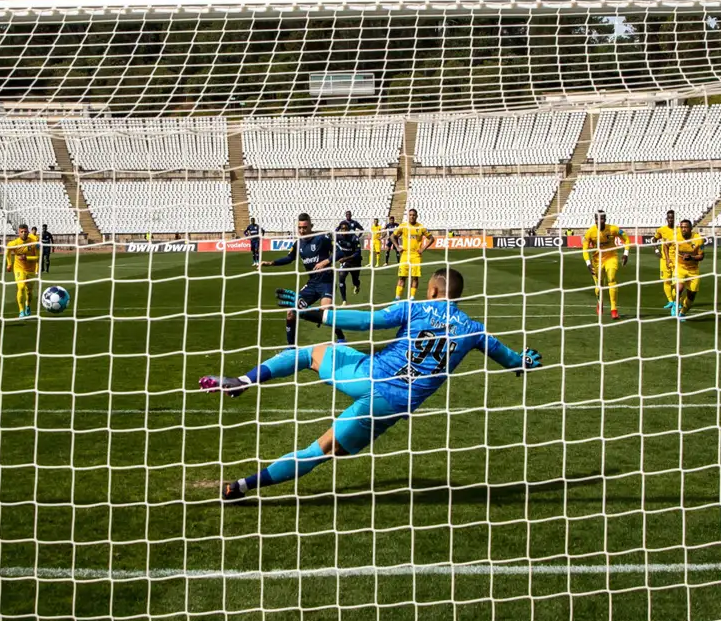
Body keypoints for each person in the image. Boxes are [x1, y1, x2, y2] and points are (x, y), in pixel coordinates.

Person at [200, 266, 541, 500]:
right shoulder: (474, 330)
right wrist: (524, 361)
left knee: (312, 354)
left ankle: (244, 380)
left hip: (370, 374)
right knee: (320, 451)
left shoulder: (417, 306)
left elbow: (369, 321)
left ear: (434, 288)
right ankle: (241, 487)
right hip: (392, 406)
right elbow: (511, 360)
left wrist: (319, 314)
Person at [268, 212, 340, 344]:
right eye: (299, 228)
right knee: (291, 312)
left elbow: (339, 251)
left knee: (326, 313)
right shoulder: (298, 243)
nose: (302, 230)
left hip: (326, 282)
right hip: (312, 284)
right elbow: (290, 258)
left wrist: (326, 261)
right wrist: (271, 263)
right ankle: (291, 348)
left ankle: (340, 337)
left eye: (305, 227)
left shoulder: (321, 239)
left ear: (311, 226)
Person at [581, 208, 628, 321]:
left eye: (602, 218)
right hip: (597, 261)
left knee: (611, 278)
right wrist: (588, 264)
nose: (600, 221)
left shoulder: (613, 229)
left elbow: (626, 239)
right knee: (599, 285)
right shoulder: (590, 232)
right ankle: (600, 302)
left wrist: (626, 253)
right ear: (595, 220)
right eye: (597, 219)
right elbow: (585, 249)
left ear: (605, 219)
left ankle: (614, 309)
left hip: (611, 257)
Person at [4, 222, 41, 318]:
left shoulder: (34, 241)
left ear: (28, 232)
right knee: (20, 287)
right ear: (18, 232)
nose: (24, 233)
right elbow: (7, 251)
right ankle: (21, 310)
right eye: (22, 231)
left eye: (25, 231)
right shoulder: (14, 243)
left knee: (29, 291)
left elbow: (38, 258)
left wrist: (27, 258)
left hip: (31, 270)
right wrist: (9, 264)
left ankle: (27, 306)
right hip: (19, 268)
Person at [668, 218, 704, 317]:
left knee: (691, 295)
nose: (683, 229)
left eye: (686, 227)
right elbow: (666, 245)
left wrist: (691, 257)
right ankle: (675, 305)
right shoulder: (675, 237)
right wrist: (667, 259)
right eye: (681, 227)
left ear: (691, 228)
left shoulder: (698, 239)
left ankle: (683, 312)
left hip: (693, 270)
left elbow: (702, 256)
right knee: (679, 288)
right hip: (680, 267)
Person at [394, 208, 431, 300]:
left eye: (413, 215)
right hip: (405, 255)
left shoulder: (421, 227)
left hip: (416, 256)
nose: (412, 217)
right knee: (402, 277)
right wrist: (397, 247)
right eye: (410, 215)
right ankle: (397, 298)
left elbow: (431, 238)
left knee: (415, 277)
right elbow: (392, 236)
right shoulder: (403, 226)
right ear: (408, 216)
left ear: (416, 216)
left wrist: (423, 248)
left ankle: (412, 298)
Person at [654, 209, 681, 316]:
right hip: (664, 260)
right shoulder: (661, 230)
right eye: (669, 218)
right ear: (667, 219)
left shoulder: (679, 230)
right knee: (666, 281)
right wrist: (656, 250)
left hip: (677, 260)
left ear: (675, 219)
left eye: (672, 218)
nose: (670, 219)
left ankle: (676, 301)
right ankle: (670, 301)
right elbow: (654, 239)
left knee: (677, 283)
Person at [334, 211, 365, 298]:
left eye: (349, 215)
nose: (348, 216)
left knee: (355, 280)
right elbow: (335, 231)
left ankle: (357, 285)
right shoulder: (342, 224)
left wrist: (358, 237)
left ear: (351, 215)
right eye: (346, 214)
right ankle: (344, 300)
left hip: (355, 258)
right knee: (341, 277)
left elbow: (362, 229)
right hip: (346, 259)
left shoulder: (354, 224)